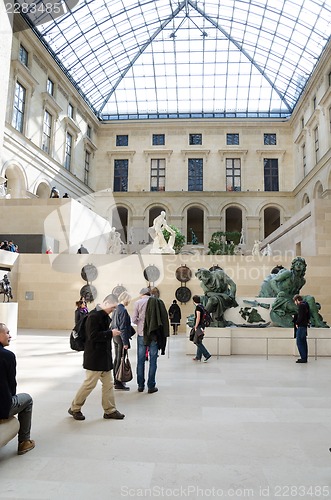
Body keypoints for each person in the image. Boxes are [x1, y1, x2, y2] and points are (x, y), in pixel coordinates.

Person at [68, 294, 125, 420]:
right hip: (94, 358)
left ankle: (110, 410)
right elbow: (92, 336)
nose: (113, 310)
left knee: (109, 384)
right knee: (89, 384)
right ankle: (74, 408)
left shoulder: (103, 316)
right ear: (106, 303)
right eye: (113, 307)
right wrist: (111, 333)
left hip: (103, 358)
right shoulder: (93, 316)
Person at [0, 323, 35, 455]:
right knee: (27, 399)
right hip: (2, 407)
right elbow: (11, 386)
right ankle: (24, 442)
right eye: (7, 333)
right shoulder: (7, 356)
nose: (10, 335)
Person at [111, 291, 134, 391]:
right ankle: (119, 382)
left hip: (115, 337)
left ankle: (116, 379)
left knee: (117, 358)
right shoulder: (123, 310)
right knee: (121, 358)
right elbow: (123, 327)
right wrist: (125, 343)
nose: (129, 302)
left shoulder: (116, 309)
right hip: (121, 337)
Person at [192, 295, 211, 362]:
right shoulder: (202, 306)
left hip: (199, 326)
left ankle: (207, 354)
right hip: (202, 325)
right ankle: (198, 357)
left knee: (197, 342)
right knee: (199, 340)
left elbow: (198, 317)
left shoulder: (198, 308)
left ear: (194, 301)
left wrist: (196, 326)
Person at [293, 294, 310, 363]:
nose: (295, 303)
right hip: (304, 326)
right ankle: (304, 357)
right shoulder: (305, 305)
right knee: (303, 342)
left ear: (297, 300)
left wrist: (297, 322)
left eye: (294, 301)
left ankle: (303, 358)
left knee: (299, 342)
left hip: (301, 326)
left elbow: (301, 316)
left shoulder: (301, 306)